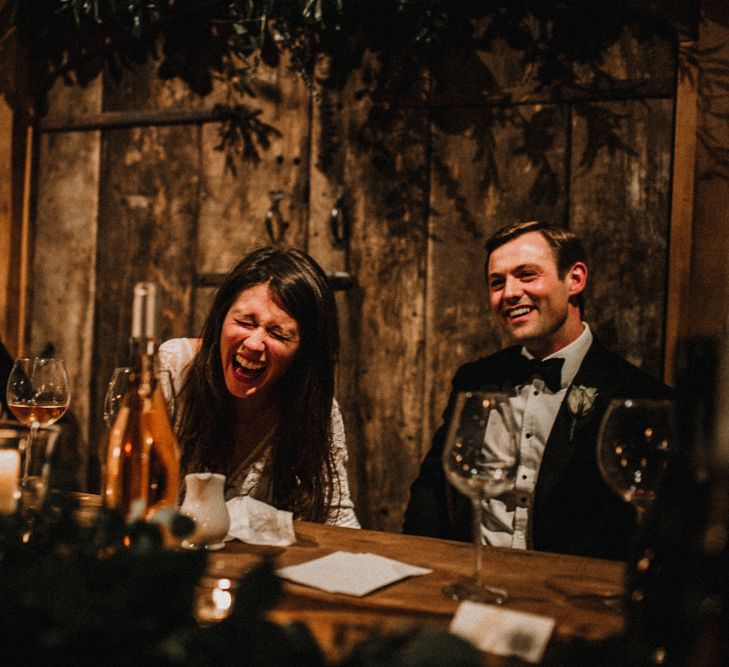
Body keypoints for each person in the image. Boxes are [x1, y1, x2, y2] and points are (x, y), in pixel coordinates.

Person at [403, 220, 671, 560]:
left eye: (527, 275)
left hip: (571, 593)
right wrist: (418, 561)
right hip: (475, 578)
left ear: (574, 279)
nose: (510, 293)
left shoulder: (638, 396)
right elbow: (434, 487)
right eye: (496, 282)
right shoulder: (475, 380)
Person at [159, 246, 360, 528]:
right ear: (221, 318)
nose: (253, 344)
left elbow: (336, 518)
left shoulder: (316, 410)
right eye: (244, 322)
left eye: (278, 334)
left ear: (303, 351)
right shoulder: (174, 368)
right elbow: (132, 490)